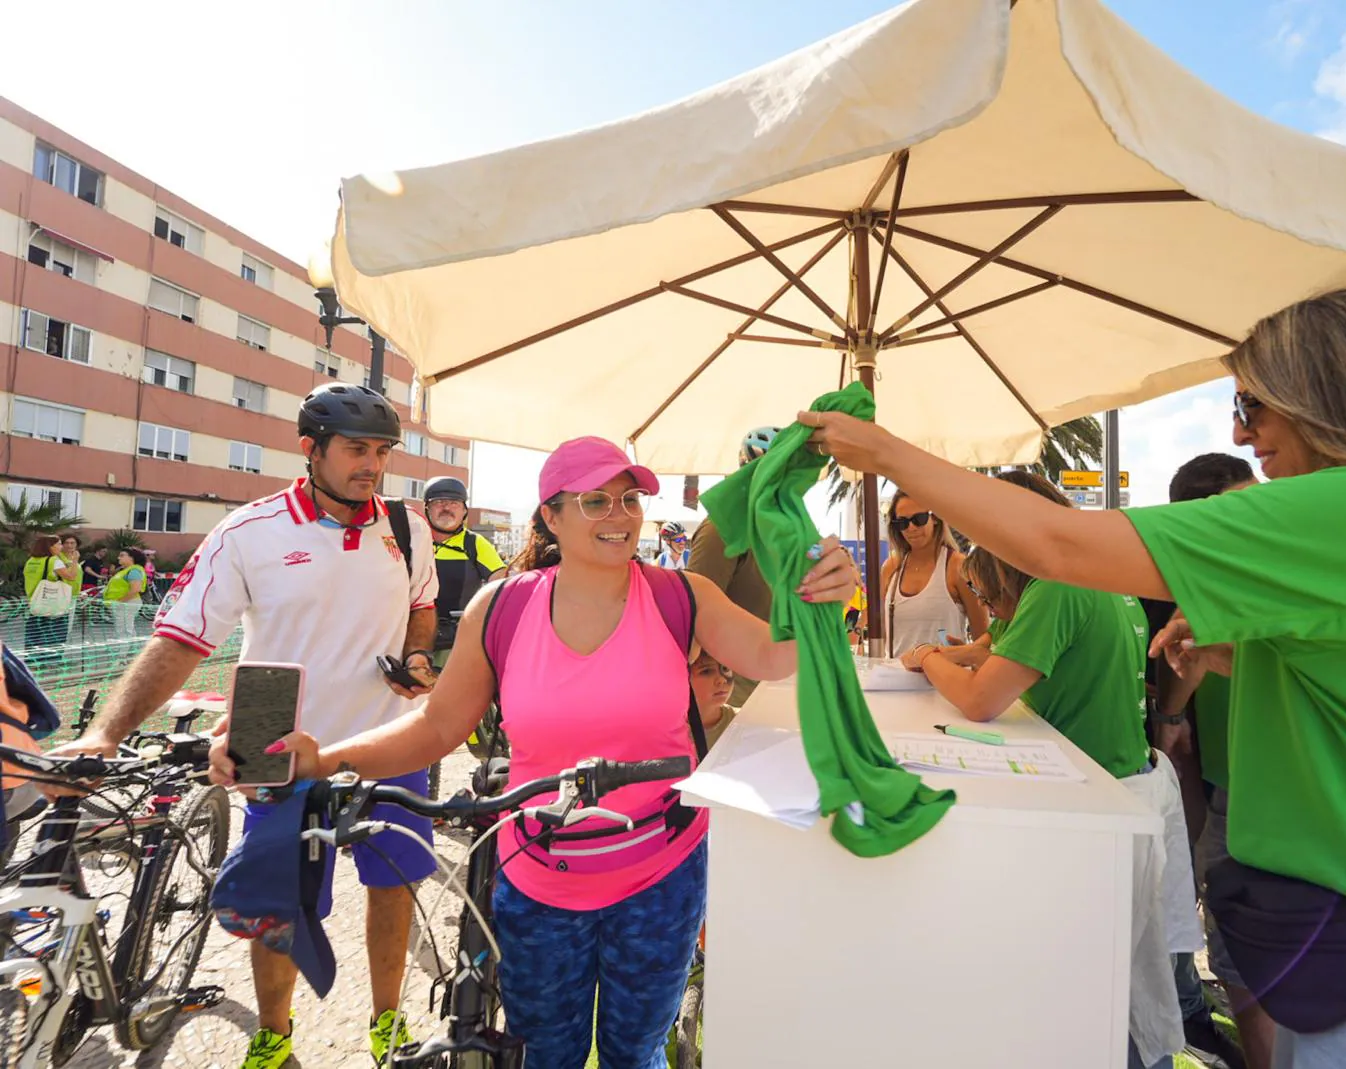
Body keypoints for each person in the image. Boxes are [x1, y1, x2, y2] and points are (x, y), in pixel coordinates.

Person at [802, 286, 1346, 1069]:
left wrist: (886, 453)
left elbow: (1060, 544)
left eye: (1254, 403)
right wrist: (1251, 656)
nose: (1241, 432)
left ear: (1326, 394)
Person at [218, 434, 860, 1069]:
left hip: (661, 874)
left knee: (634, 1054)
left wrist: (828, 597)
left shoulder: (681, 595)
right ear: (551, 515)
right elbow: (436, 727)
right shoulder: (501, 607)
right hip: (539, 879)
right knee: (546, 1054)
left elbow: (779, 658)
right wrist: (324, 759)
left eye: (630, 500)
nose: (620, 516)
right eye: (596, 502)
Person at [54, 382, 440, 1069]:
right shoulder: (248, 531)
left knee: (394, 889)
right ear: (311, 449)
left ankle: (388, 1023)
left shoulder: (407, 528)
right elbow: (179, 640)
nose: (372, 465)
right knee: (278, 906)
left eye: (382, 451)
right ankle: (273, 1032)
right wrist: (105, 734)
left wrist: (415, 653)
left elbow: (423, 605)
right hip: (280, 746)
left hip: (389, 739)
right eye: (357, 449)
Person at [902, 469, 1196, 1069]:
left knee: (1108, 993)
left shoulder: (1059, 586)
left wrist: (929, 657)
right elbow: (992, 650)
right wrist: (933, 658)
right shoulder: (1086, 578)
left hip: (1099, 809)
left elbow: (982, 698)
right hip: (1121, 788)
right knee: (1126, 978)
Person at [1149, 453, 1259, 1069]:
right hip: (1218, 780)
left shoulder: (1278, 569)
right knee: (1228, 942)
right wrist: (1169, 717)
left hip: (1274, 792)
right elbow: (1183, 676)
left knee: (1247, 947)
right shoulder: (1198, 579)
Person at [688, 426, 780, 706]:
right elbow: (692, 615)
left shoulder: (778, 534)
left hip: (777, 683)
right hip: (733, 695)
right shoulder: (721, 530)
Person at [881, 490, 987, 657]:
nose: (911, 528)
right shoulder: (891, 567)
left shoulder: (959, 567)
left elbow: (982, 636)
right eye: (902, 522)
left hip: (946, 679)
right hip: (896, 679)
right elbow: (881, 632)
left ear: (935, 518)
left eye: (919, 519)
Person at [423, 475, 507, 666]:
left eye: (454, 503)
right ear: (427, 509)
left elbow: (501, 587)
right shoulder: (415, 541)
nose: (446, 508)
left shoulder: (475, 544)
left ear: (464, 511)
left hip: (456, 641)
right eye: (439, 502)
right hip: (413, 638)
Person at [23, 536, 76, 652]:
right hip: (52, 603)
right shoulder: (53, 561)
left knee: (34, 633)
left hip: (34, 602)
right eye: (59, 544)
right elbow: (71, 576)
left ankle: (32, 660)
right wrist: (75, 560)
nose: (61, 547)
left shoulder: (30, 561)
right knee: (54, 634)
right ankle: (51, 661)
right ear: (50, 547)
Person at [688, 648, 737, 750]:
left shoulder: (742, 722)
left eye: (726, 668)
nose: (722, 680)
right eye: (706, 671)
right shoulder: (664, 732)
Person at [102, 549, 147, 641]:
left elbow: (135, 588)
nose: (118, 558)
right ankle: (130, 649)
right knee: (126, 626)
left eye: (122, 555)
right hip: (124, 602)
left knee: (123, 628)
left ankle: (122, 652)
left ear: (131, 558)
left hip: (127, 602)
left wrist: (119, 601)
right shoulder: (126, 570)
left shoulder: (134, 570)